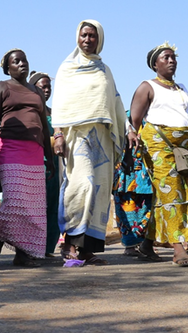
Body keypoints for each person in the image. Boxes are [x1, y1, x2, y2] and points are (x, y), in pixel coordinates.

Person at [129, 42, 188, 267]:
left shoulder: (182, 88)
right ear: (155, 64)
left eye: (173, 57)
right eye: (166, 57)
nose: (171, 61)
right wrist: (133, 141)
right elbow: (135, 120)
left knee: (177, 193)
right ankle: (179, 249)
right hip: (159, 146)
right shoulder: (147, 86)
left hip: (183, 148)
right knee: (171, 194)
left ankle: (147, 244)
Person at [51, 20, 132, 265]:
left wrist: (128, 130)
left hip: (104, 137)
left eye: (92, 36)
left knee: (99, 191)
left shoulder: (105, 70)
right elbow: (60, 103)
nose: (87, 40)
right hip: (77, 136)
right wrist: (58, 134)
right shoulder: (67, 68)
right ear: (77, 37)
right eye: (84, 35)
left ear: (100, 39)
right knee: (82, 185)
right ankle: (70, 244)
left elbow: (116, 103)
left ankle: (88, 249)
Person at [0, 49, 53, 267]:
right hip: (10, 148)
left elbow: (43, 125)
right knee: (13, 199)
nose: (22, 64)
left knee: (32, 206)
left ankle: (22, 254)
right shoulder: (0, 88)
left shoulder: (36, 92)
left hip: (35, 151)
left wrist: (49, 158)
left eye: (24, 60)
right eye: (16, 61)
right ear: (8, 68)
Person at [113, 110, 153, 257]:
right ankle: (129, 244)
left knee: (146, 209)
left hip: (146, 173)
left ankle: (144, 244)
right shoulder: (124, 118)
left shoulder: (154, 118)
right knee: (125, 211)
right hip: (126, 172)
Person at [29, 70, 60, 257]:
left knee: (52, 205)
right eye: (43, 86)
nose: (47, 90)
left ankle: (48, 248)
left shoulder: (55, 114)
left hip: (53, 165)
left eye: (49, 86)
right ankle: (30, 247)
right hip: (34, 162)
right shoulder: (29, 112)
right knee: (34, 206)